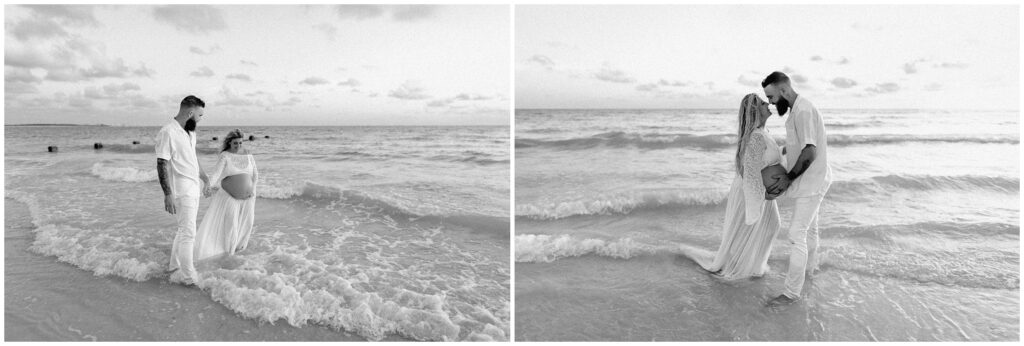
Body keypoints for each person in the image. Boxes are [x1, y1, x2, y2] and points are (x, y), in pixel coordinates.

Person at [761, 71, 833, 306]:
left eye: (771, 97)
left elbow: (810, 152)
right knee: (809, 230)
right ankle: (810, 271)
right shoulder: (797, 110)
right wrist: (781, 152)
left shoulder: (802, 110)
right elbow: (800, 146)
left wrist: (789, 178)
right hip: (815, 178)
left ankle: (791, 294)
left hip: (812, 180)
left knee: (796, 234)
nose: (770, 103)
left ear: (783, 90)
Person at [703, 93, 786, 279]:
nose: (769, 105)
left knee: (768, 226)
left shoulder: (762, 133)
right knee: (748, 231)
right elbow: (748, 170)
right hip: (751, 190)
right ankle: (741, 271)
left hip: (759, 189)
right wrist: (762, 195)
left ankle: (753, 267)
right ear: (757, 111)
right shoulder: (756, 136)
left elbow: (764, 161)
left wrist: (784, 152)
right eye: (765, 104)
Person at [155, 95, 210, 286]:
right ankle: (189, 277)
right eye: (200, 115)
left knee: (183, 230)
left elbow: (192, 159)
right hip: (182, 191)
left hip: (193, 188)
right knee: (188, 233)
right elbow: (162, 163)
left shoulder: (190, 133)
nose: (200, 119)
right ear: (190, 112)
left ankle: (173, 266)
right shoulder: (167, 132)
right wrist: (167, 194)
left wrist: (205, 178)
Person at [193, 129, 258, 262]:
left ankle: (239, 252)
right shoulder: (225, 155)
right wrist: (208, 185)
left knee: (248, 224)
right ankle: (229, 255)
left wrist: (253, 191)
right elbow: (216, 174)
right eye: (235, 143)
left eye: (240, 143)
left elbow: (255, 174)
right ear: (229, 143)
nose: (238, 145)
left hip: (248, 199)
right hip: (230, 197)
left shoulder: (248, 155)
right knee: (232, 227)